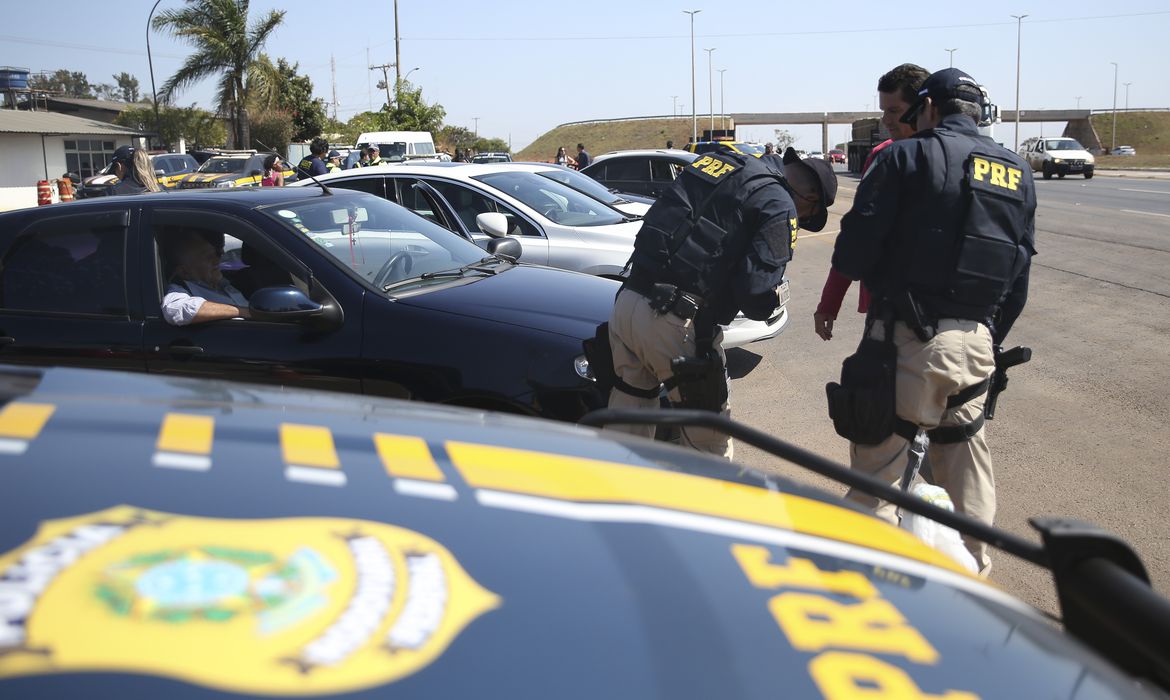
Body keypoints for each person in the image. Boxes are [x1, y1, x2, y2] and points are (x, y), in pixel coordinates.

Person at [830, 67, 1037, 574]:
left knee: (879, 473)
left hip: (909, 342)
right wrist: (985, 336)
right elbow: (1019, 279)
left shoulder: (905, 156)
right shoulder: (1017, 171)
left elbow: (853, 253)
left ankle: (865, 586)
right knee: (965, 469)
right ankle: (973, 580)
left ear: (927, 107)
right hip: (978, 345)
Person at [607, 147, 837, 459]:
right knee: (709, 445)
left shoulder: (724, 163)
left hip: (627, 302)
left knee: (626, 429)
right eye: (808, 214)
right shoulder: (778, 203)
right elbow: (756, 294)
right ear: (810, 197)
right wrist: (773, 295)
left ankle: (614, 489)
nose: (802, 217)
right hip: (677, 326)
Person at [814, 63, 929, 342]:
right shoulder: (881, 157)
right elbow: (857, 235)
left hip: (934, 310)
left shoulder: (951, 162)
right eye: (883, 111)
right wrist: (829, 302)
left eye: (894, 111)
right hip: (884, 308)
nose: (886, 121)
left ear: (922, 108)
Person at [160, 231, 250, 326]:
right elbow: (174, 309)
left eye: (215, 254)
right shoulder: (181, 290)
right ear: (184, 272)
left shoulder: (223, 284)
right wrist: (244, 312)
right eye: (209, 257)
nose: (217, 260)